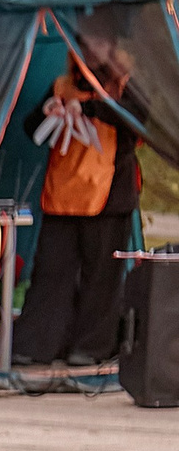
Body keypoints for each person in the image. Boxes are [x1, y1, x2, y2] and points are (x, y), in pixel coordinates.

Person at [16, 38, 149, 368]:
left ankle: (91, 347)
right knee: (50, 274)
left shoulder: (124, 85)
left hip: (110, 196)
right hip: (62, 194)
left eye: (94, 44)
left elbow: (138, 121)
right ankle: (37, 345)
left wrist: (89, 108)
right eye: (81, 45)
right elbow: (31, 127)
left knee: (100, 278)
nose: (88, 52)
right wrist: (50, 110)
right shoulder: (62, 84)